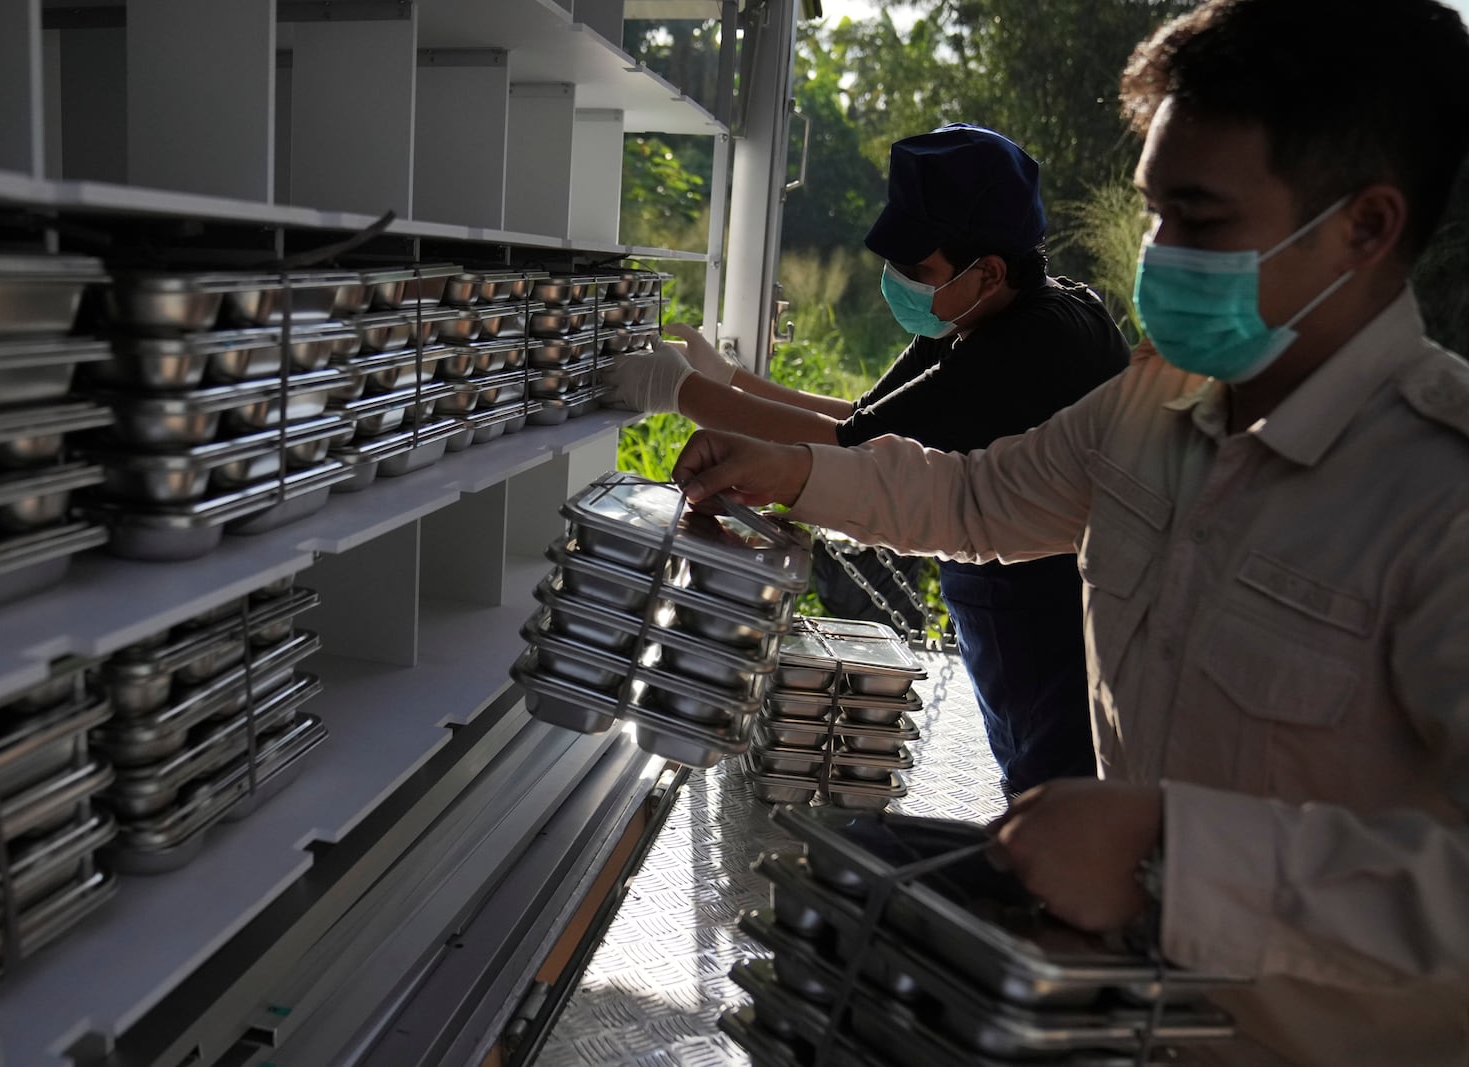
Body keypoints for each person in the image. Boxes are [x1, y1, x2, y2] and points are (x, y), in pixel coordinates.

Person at [669, 0, 1469, 1062]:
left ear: (1363, 227)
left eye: (1201, 219)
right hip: (1114, 1018)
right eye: (1152, 215)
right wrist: (794, 472)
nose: (1159, 256)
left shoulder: (1438, 493)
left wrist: (1171, 852)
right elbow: (976, 500)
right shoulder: (1156, 404)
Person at [607, 125, 1129, 796]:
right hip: (1003, 619)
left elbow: (850, 452)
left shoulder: (1034, 348)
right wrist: (730, 381)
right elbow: (862, 419)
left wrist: (681, 393)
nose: (900, 284)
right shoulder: (981, 313)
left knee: (1056, 807)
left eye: (919, 271)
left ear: (990, 269)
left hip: (1055, 638)